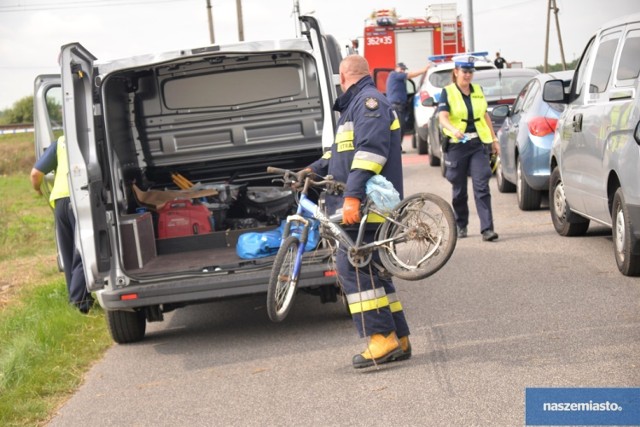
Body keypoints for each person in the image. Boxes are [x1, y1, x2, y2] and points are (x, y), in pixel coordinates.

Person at [299, 55, 411, 369]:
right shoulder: (355, 106)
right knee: (373, 271)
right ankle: (398, 339)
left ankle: (381, 339)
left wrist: (351, 197)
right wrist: (311, 170)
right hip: (362, 206)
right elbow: (337, 155)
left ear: (344, 75)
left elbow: (371, 153)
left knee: (352, 268)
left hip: (365, 207)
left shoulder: (368, 103)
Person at [437, 54, 500, 242]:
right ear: (456, 72)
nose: (467, 75)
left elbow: (485, 116)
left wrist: (494, 139)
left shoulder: (478, 90)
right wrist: (452, 129)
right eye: (464, 72)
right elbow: (443, 116)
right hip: (457, 146)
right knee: (459, 189)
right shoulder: (447, 92)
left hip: (477, 145)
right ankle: (461, 224)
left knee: (482, 186)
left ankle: (487, 229)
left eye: (470, 72)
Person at [30, 136, 94, 313]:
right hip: (80, 198)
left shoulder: (60, 142)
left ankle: (80, 300)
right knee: (82, 249)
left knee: (67, 253)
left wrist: (37, 189)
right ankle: (79, 301)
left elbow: (35, 174)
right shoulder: (88, 131)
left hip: (60, 202)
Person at [385, 61, 431, 134]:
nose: (403, 71)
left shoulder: (398, 77)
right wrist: (424, 69)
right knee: (398, 129)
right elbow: (411, 74)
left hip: (399, 106)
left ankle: (397, 144)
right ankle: (396, 144)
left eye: (404, 69)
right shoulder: (394, 75)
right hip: (396, 106)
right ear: (396, 68)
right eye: (401, 69)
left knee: (401, 128)